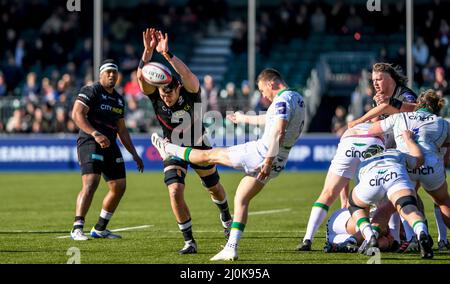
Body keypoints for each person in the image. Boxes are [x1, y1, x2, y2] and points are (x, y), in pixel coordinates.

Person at [152, 68, 306, 261]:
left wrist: (267, 160)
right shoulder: (297, 99)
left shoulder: (282, 100)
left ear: (271, 83)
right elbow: (268, 120)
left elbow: (278, 132)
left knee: (212, 155)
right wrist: (242, 118)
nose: (263, 95)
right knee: (241, 198)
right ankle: (231, 248)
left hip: (262, 154)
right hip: (280, 160)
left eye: (262, 90)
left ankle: (169, 149)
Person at [136, 28, 232, 254]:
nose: (165, 98)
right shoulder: (156, 95)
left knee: (214, 188)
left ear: (178, 87)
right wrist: (147, 53)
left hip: (198, 144)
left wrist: (167, 54)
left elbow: (188, 75)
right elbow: (141, 77)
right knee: (174, 191)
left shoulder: (190, 92)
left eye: (169, 94)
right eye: (162, 94)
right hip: (173, 148)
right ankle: (189, 241)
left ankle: (226, 217)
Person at [70, 59, 144, 241]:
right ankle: (77, 228)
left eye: (114, 73)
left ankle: (100, 228)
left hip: (110, 143)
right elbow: (77, 114)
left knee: (119, 186)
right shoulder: (92, 90)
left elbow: (122, 130)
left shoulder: (119, 99)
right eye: (108, 72)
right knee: (91, 183)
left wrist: (134, 154)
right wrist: (95, 133)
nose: (111, 75)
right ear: (101, 74)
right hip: (90, 141)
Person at [366, 90, 450, 239]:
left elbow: (372, 130)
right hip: (430, 165)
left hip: (406, 163)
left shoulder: (400, 116)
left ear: (418, 104)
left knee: (396, 203)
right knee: (443, 202)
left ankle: (374, 236)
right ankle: (435, 238)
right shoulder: (442, 122)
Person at [297, 123, 385, 251]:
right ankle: (386, 237)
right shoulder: (392, 122)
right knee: (384, 201)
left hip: (349, 140)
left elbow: (346, 174)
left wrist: (344, 200)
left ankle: (307, 239)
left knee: (327, 194)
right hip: (373, 141)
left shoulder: (359, 122)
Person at [349, 132, 434, 259]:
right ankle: (421, 231)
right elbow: (419, 160)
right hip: (395, 175)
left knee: (356, 204)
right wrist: (410, 140)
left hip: (371, 179)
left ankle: (369, 235)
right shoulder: (396, 153)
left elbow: (367, 202)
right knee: (409, 209)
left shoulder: (363, 164)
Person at [348, 63, 418, 131]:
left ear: (390, 80)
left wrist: (390, 101)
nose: (375, 84)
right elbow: (375, 121)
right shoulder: (379, 96)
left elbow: (416, 108)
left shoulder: (404, 93)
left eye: (379, 79)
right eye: (373, 80)